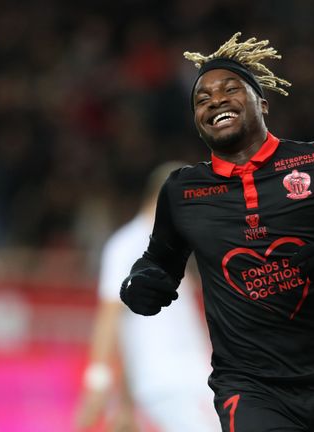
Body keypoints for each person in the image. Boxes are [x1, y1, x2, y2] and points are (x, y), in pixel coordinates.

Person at [119, 33, 314, 432]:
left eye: (229, 89)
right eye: (202, 100)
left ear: (262, 102)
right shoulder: (182, 192)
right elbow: (159, 262)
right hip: (249, 386)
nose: (215, 101)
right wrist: (141, 283)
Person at [75, 161, 217, 432]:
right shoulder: (126, 246)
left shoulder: (169, 247)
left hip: (195, 380)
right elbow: (109, 316)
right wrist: (98, 383)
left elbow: (137, 328)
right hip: (170, 383)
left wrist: (126, 404)